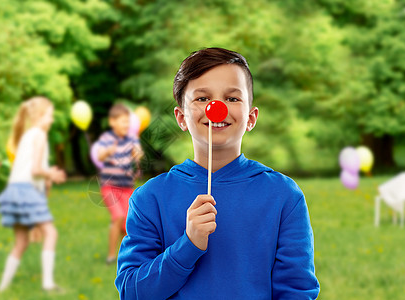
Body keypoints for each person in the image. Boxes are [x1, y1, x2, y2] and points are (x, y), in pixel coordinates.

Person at [115, 48, 320, 299]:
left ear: (251, 118)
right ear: (181, 117)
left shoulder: (284, 195)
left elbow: (297, 290)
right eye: (202, 99)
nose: (217, 108)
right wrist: (187, 246)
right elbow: (132, 292)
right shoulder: (149, 198)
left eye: (232, 99)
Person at [0, 96, 67, 292]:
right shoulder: (40, 135)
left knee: (21, 242)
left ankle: (2, 288)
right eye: (50, 115)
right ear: (40, 116)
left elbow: (33, 172)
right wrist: (51, 173)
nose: (52, 120)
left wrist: (47, 179)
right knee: (51, 233)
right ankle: (48, 284)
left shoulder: (27, 135)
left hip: (14, 190)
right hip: (26, 189)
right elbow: (36, 170)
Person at [96, 104, 143, 264]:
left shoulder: (131, 139)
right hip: (110, 187)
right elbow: (100, 156)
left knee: (128, 222)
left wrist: (138, 155)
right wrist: (107, 151)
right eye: (123, 122)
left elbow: (138, 153)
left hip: (127, 187)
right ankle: (111, 255)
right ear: (112, 122)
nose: (126, 125)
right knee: (118, 217)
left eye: (128, 122)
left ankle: (127, 255)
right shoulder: (107, 139)